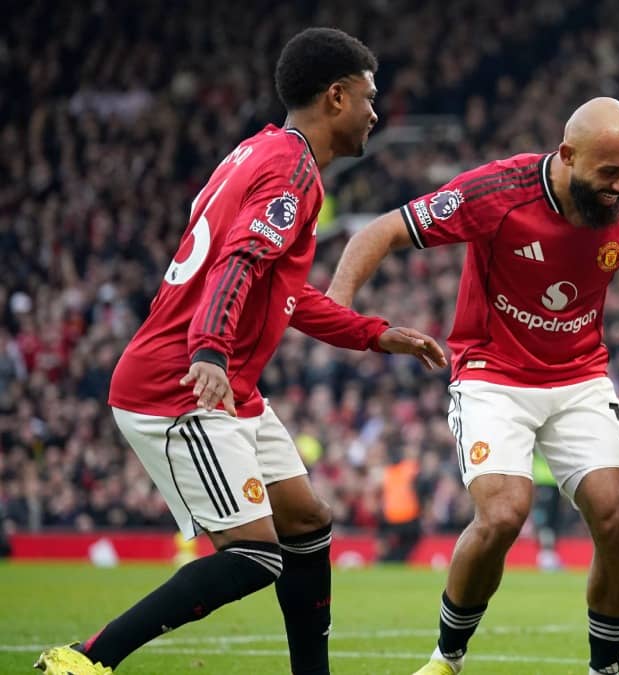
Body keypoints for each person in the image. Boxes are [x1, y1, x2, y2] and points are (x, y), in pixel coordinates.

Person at [35, 27, 446, 675]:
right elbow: (241, 261)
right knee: (255, 553)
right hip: (179, 386)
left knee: (308, 521)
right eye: (370, 97)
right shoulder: (291, 170)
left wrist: (371, 331)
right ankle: (87, 658)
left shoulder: (262, 152)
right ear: (335, 97)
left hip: (229, 386)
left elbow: (279, 288)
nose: (377, 111)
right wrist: (208, 351)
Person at [327, 96, 619, 675]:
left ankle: (604, 669)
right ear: (567, 155)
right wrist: (337, 305)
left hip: (579, 375)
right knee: (505, 512)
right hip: (492, 374)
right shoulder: (497, 193)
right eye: (609, 173)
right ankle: (447, 657)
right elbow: (384, 230)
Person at [531, 450, 565, 571]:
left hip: (557, 481)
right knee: (545, 520)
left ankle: (551, 555)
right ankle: (545, 556)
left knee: (555, 520)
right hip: (544, 481)